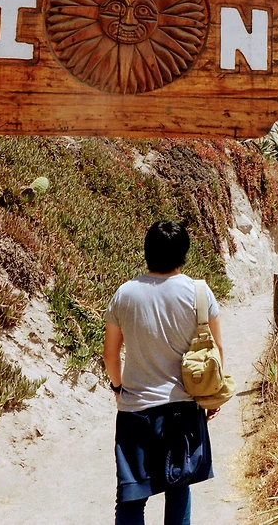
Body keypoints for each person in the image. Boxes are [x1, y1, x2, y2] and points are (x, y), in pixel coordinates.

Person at [104, 220, 224, 525]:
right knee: (179, 488)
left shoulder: (125, 294)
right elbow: (216, 350)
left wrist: (118, 388)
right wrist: (210, 397)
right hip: (182, 408)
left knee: (131, 496)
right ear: (184, 253)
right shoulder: (199, 293)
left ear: (147, 251)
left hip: (135, 410)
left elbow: (110, 353)